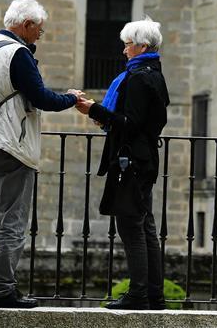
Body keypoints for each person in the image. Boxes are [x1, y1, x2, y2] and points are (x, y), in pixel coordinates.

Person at [0, 0, 85, 309]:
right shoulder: (17, 53)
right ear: (26, 25)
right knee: (13, 222)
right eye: (39, 31)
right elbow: (42, 97)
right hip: (12, 146)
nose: (38, 37)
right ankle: (3, 290)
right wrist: (71, 98)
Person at [76, 16, 170, 310]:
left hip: (133, 162)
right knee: (146, 226)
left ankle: (139, 294)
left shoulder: (139, 77)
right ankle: (154, 294)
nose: (124, 50)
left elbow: (129, 123)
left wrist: (96, 110)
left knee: (131, 226)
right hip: (145, 160)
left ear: (141, 46)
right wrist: (99, 112)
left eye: (128, 45)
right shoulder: (154, 73)